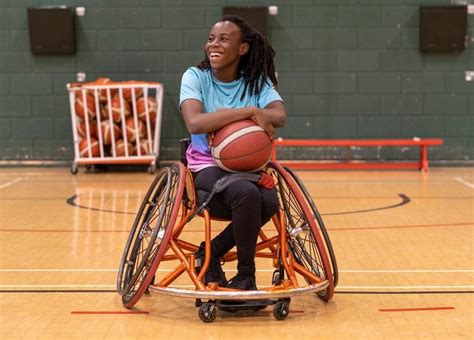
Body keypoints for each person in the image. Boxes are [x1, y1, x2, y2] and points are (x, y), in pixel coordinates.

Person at [179, 15, 287, 290]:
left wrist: (245, 112)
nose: (213, 44)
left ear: (243, 48)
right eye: (211, 38)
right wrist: (247, 112)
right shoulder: (195, 77)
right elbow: (195, 122)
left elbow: (279, 115)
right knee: (248, 193)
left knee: (270, 201)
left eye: (224, 39)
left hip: (247, 169)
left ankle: (212, 251)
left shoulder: (257, 82)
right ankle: (246, 276)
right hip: (205, 167)